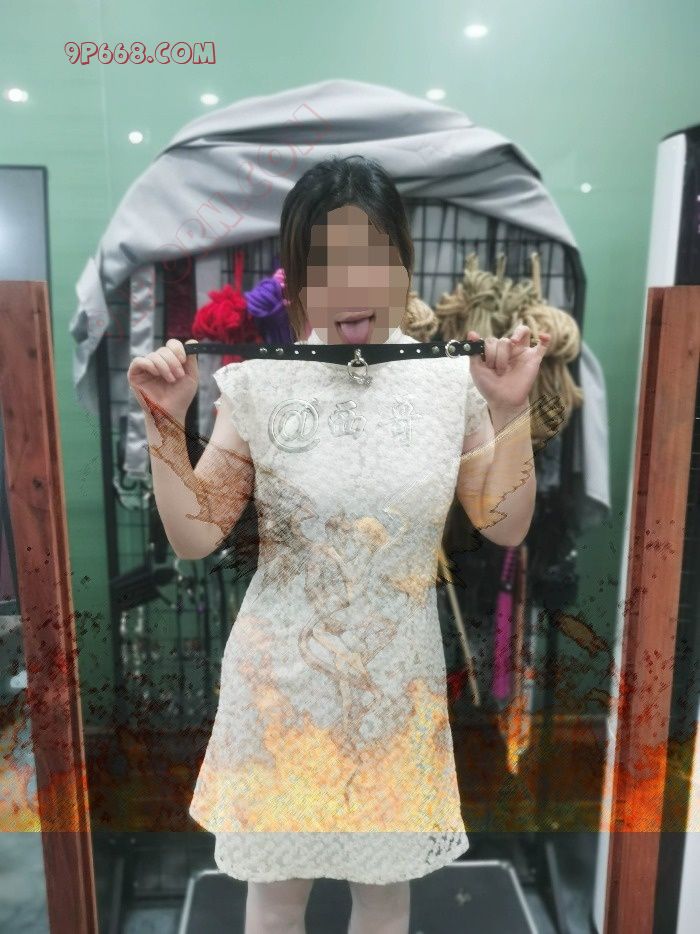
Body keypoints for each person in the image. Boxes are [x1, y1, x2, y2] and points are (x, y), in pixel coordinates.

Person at [127, 154, 550, 934]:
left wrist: (510, 411)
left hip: (395, 690)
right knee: (275, 904)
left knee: (385, 902)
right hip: (280, 687)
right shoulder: (259, 384)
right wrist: (164, 423)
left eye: (373, 259)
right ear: (296, 278)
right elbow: (195, 534)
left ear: (402, 266)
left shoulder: (449, 382)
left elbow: (506, 524)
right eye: (326, 264)